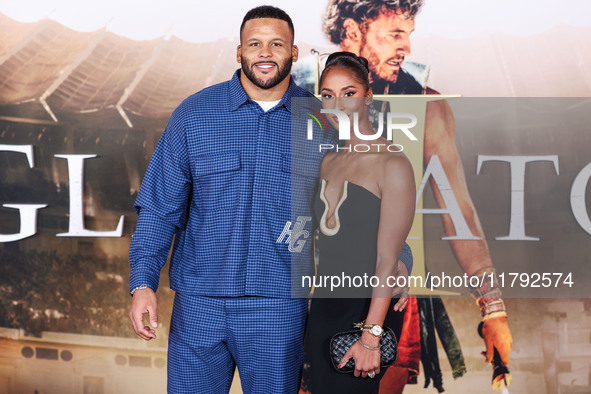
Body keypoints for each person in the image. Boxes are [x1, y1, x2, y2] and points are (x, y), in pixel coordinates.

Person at [127, 5, 414, 394]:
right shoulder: (194, 115)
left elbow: (369, 200)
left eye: (276, 44)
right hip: (198, 305)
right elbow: (160, 207)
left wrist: (403, 260)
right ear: (239, 52)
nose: (265, 53)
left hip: (278, 308)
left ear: (293, 53)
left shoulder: (323, 121)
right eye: (255, 44)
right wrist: (143, 283)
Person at [296, 0, 513, 392]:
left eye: (409, 34)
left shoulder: (427, 105)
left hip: (385, 296)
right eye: (395, 33)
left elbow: (457, 209)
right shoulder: (301, 109)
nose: (407, 47)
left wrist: (492, 307)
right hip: (311, 298)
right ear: (352, 31)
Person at [300, 52, 415, 394]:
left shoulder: (392, 164)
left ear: (368, 95)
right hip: (323, 311)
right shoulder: (328, 162)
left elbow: (387, 259)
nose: (337, 104)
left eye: (348, 93)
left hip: (365, 315)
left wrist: (371, 336)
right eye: (328, 94)